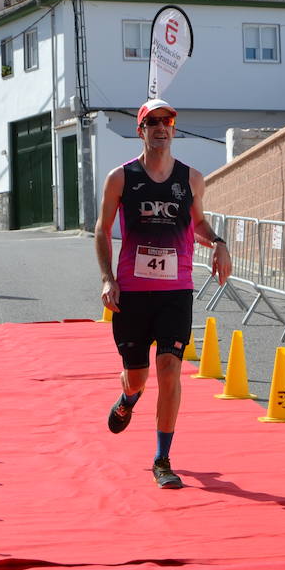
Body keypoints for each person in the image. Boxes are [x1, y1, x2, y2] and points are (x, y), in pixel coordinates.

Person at [95, 98, 231, 489]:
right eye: (152, 121)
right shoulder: (120, 179)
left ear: (173, 128)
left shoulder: (192, 179)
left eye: (166, 121)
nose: (160, 127)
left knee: (170, 370)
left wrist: (218, 241)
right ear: (141, 130)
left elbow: (199, 222)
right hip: (133, 294)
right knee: (137, 378)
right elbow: (102, 231)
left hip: (176, 291)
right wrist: (108, 278)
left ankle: (162, 458)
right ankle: (127, 400)